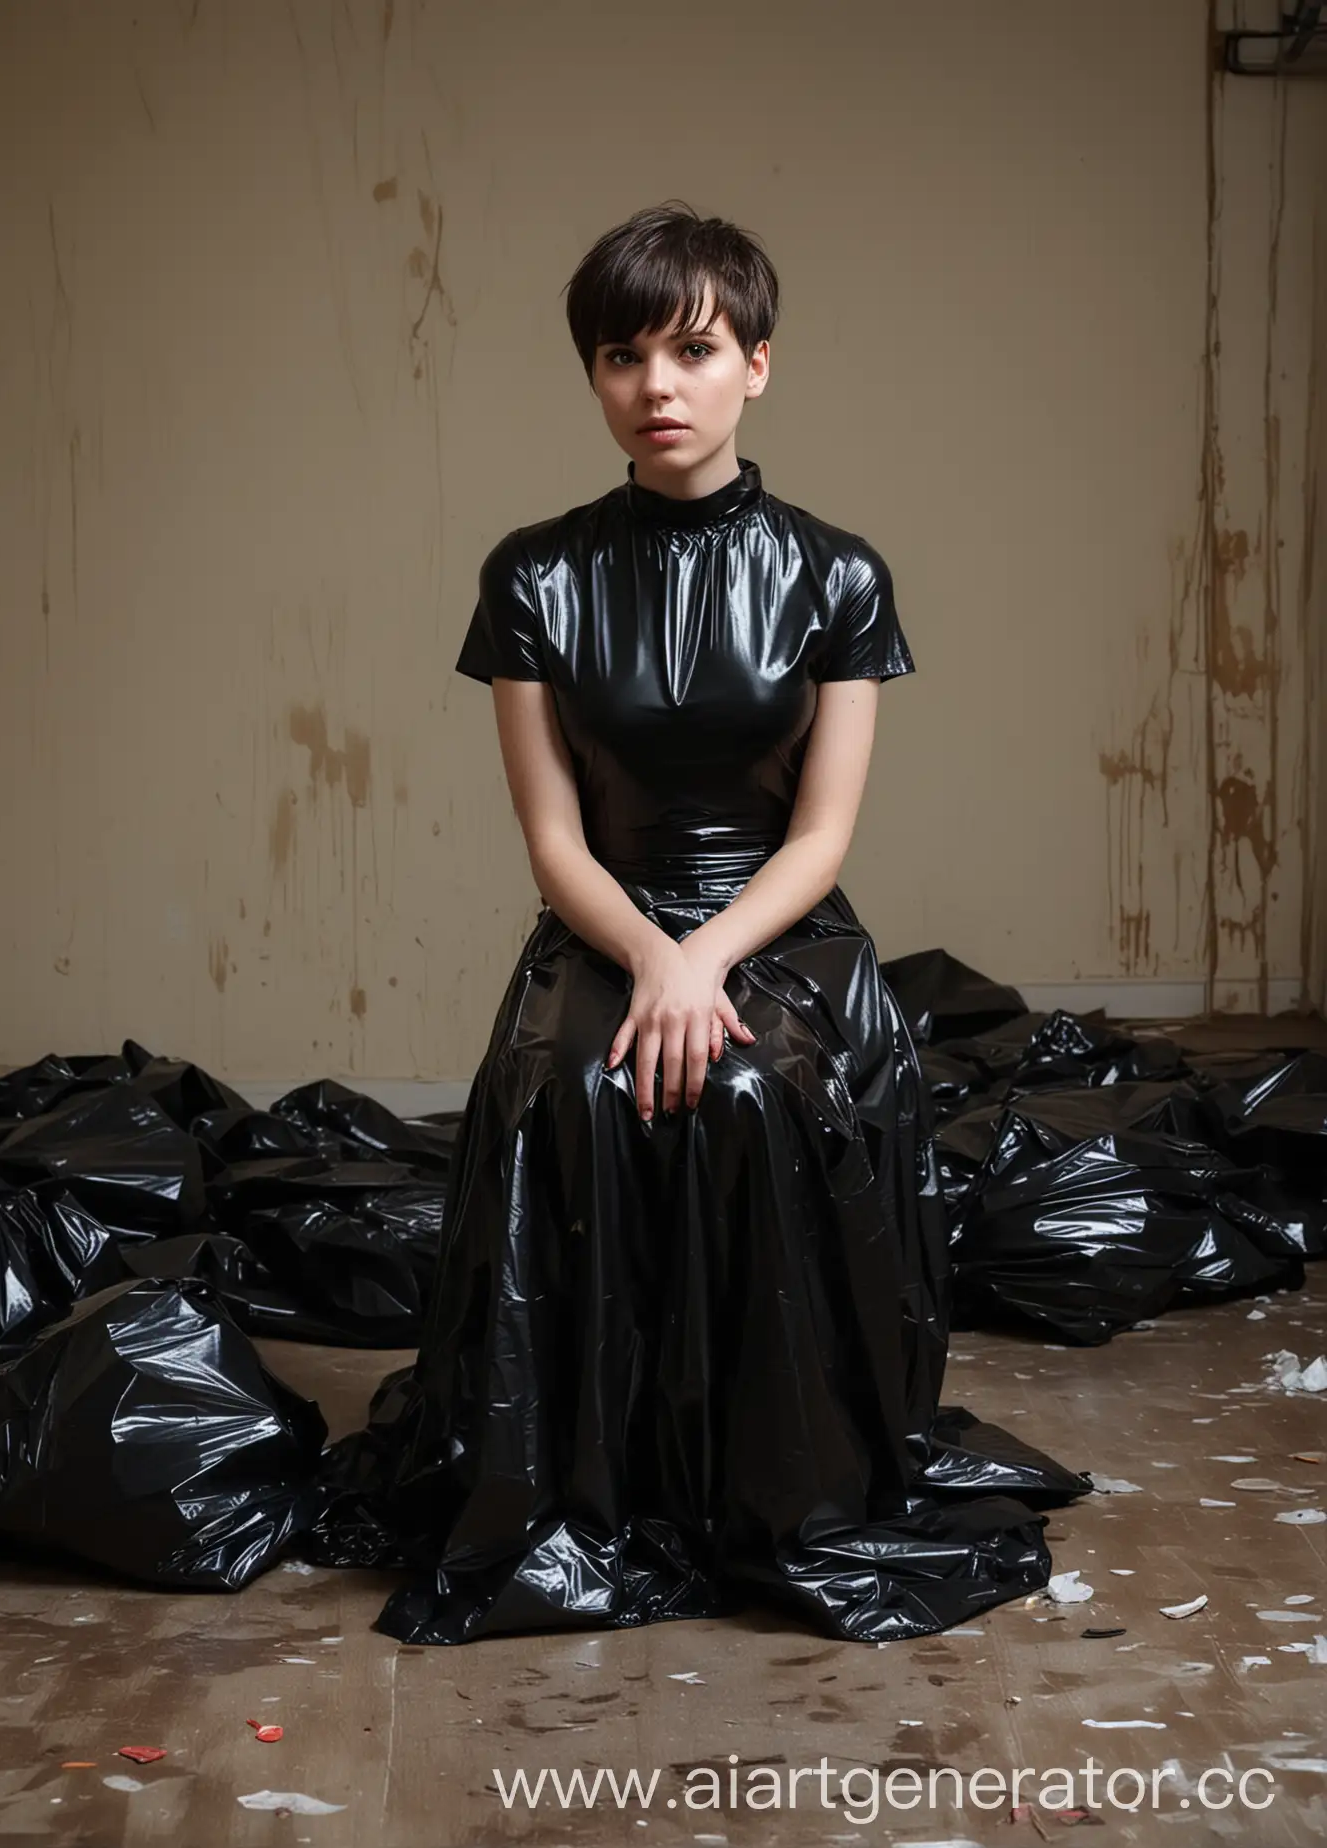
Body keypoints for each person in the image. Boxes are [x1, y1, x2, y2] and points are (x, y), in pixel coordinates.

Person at [307, 202, 1089, 1642]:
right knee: (586, 1091)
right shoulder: (533, 574)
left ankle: (766, 1485)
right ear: (594, 376)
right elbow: (554, 839)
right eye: (622, 356)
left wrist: (708, 956)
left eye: (694, 349)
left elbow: (823, 836)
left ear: (758, 365)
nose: (657, 386)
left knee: (740, 1084)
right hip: (604, 919)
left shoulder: (839, 572)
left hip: (783, 928)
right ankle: (598, 1487)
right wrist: (652, 958)